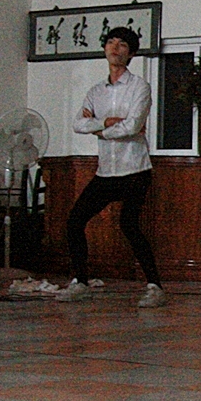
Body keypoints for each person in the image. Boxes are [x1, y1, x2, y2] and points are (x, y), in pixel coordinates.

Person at [56, 26, 167, 307]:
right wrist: (105, 122)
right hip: (106, 171)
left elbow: (132, 126)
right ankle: (80, 281)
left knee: (129, 225)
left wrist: (99, 130)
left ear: (131, 53)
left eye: (122, 44)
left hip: (135, 169)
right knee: (75, 221)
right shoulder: (96, 91)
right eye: (110, 42)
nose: (115, 48)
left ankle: (155, 286)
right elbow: (78, 124)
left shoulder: (140, 87)